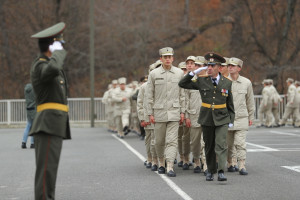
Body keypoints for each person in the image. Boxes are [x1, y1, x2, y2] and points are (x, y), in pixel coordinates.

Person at [30, 22, 71, 200]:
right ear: (51, 46)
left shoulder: (47, 65)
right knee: (46, 172)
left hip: (53, 124)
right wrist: (59, 51)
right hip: (47, 124)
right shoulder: (40, 66)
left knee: (50, 172)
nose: (62, 49)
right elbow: (54, 68)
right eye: (58, 45)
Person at [179, 52, 235, 182]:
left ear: (220, 68)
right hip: (207, 118)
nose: (209, 68)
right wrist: (193, 72)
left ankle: (221, 171)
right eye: (207, 65)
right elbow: (182, 83)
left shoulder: (227, 83)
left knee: (220, 144)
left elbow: (230, 103)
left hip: (222, 118)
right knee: (209, 146)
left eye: (212, 65)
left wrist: (231, 120)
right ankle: (210, 170)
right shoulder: (201, 80)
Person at [147, 47, 185, 177]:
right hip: (159, 112)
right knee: (159, 141)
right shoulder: (154, 74)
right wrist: (149, 113)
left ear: (173, 58)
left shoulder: (179, 73)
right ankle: (161, 162)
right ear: (161, 59)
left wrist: (183, 112)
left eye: (170, 57)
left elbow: (182, 94)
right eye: (165, 57)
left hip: (174, 112)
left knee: (172, 140)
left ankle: (169, 166)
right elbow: (149, 95)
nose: (168, 59)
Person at [227, 57, 255, 175]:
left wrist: (251, 117)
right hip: (227, 118)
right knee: (228, 145)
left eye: (233, 66)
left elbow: (250, 101)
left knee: (240, 143)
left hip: (242, 117)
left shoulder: (246, 82)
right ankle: (230, 162)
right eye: (229, 65)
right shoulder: (223, 81)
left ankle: (242, 165)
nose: (230, 67)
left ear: (239, 68)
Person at [185, 56, 208, 174]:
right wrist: (187, 116)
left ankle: (205, 163)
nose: (198, 67)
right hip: (193, 116)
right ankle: (196, 160)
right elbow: (186, 100)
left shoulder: (210, 80)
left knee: (205, 141)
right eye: (196, 65)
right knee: (194, 142)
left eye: (200, 65)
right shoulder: (190, 81)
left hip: (207, 116)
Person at [177, 61, 187, 168]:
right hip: (178, 113)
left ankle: (190, 158)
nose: (184, 71)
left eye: (185, 69)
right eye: (182, 70)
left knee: (190, 138)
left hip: (190, 113)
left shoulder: (191, 81)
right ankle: (182, 157)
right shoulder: (176, 81)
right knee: (180, 137)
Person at [21, 83, 36, 149]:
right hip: (34, 109)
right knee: (34, 126)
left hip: (28, 109)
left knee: (28, 125)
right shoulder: (35, 89)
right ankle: (32, 143)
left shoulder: (26, 88)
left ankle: (23, 143)